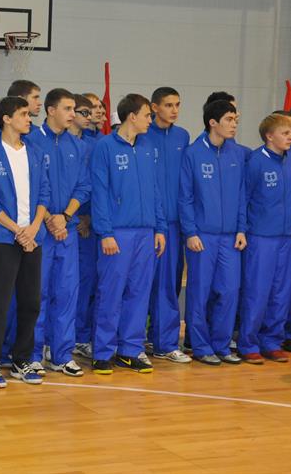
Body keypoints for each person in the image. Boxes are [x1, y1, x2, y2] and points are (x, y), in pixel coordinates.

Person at [0, 96, 50, 388]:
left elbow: (44, 194)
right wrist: (17, 230)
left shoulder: (34, 152)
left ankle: (21, 359)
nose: (29, 118)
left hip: (33, 238)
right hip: (5, 239)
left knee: (31, 302)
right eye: (23, 114)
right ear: (6, 119)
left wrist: (33, 229)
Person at [90, 94, 166, 375]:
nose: (150, 120)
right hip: (117, 233)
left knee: (139, 292)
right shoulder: (105, 147)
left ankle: (130, 350)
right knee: (111, 293)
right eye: (147, 115)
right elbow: (99, 192)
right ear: (132, 116)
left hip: (146, 233)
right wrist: (105, 232)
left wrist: (160, 228)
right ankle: (103, 351)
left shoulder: (147, 147)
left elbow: (155, 191)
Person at [240, 113, 291, 363]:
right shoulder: (255, 161)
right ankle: (248, 343)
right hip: (261, 237)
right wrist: (242, 230)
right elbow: (243, 199)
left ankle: (272, 341)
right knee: (257, 292)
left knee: (281, 292)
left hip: (289, 235)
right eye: (286, 133)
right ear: (269, 136)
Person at [26, 89, 90, 377]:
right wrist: (49, 219)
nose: (72, 114)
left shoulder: (78, 146)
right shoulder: (31, 141)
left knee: (66, 293)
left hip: (66, 230)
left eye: (74, 109)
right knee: (36, 294)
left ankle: (62, 354)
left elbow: (84, 187)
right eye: (67, 108)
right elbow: (29, 186)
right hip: (39, 231)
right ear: (51, 110)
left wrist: (64, 217)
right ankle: (32, 353)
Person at [178, 100, 246, 365]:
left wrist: (241, 229)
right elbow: (185, 197)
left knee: (229, 291)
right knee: (200, 293)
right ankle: (201, 346)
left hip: (230, 237)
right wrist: (190, 232)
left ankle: (221, 345)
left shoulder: (237, 154)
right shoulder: (193, 153)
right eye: (229, 119)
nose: (234, 124)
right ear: (213, 122)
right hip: (202, 236)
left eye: (236, 119)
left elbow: (241, 195)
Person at [145, 87, 192, 363]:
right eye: (168, 105)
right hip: (145, 222)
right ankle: (131, 340)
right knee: (140, 284)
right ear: (154, 107)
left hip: (173, 223)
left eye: (177, 104)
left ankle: (163, 341)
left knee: (169, 285)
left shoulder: (182, 136)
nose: (174, 110)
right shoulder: (142, 134)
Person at [68, 94, 97, 361]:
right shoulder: (53, 143)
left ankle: (81, 336)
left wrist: (87, 217)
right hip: (61, 223)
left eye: (93, 112)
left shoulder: (92, 145)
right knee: (60, 287)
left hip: (86, 225)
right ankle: (53, 340)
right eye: (84, 112)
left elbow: (95, 186)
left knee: (86, 282)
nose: (90, 117)